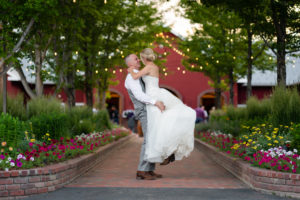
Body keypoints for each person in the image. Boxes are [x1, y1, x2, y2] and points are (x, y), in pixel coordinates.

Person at [128, 48, 196, 167]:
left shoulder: (148, 67)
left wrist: (130, 71)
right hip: (157, 92)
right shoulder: (154, 66)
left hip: (152, 95)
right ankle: (168, 153)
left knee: (157, 126)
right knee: (162, 123)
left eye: (140, 58)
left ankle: (167, 153)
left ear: (144, 58)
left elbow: (135, 76)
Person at [125, 53, 166, 180]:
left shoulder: (137, 74)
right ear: (130, 63)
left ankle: (149, 169)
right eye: (135, 59)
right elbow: (139, 96)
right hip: (143, 110)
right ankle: (141, 170)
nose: (138, 60)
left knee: (152, 139)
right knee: (149, 140)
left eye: (138, 58)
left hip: (148, 109)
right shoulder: (131, 78)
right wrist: (156, 102)